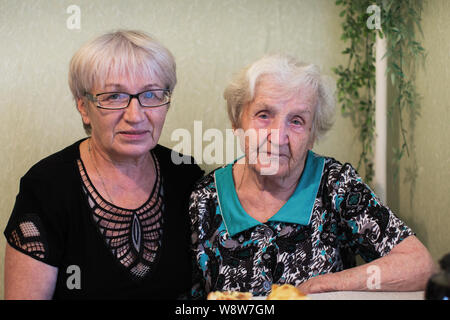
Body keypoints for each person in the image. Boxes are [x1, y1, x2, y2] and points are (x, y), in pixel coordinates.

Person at [189, 54, 436, 298]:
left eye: (296, 121)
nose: (278, 137)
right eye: (264, 115)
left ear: (312, 134)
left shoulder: (335, 184)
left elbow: (420, 266)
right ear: (237, 123)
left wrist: (324, 285)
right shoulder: (205, 198)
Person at [4, 30, 203, 299]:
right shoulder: (47, 187)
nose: (135, 115)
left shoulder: (186, 175)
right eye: (114, 97)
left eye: (151, 95)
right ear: (83, 107)